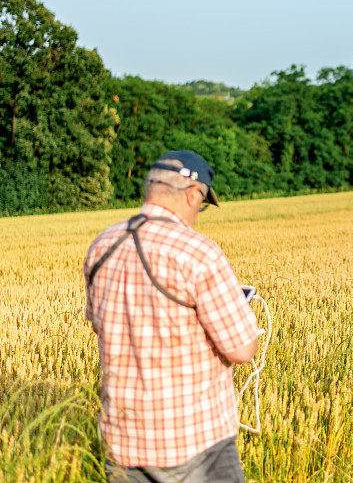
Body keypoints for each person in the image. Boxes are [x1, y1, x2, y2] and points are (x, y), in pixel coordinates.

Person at [84, 150, 259, 482]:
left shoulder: (101, 245)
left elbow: (97, 322)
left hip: (123, 443)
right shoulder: (198, 253)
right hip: (194, 441)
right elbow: (241, 350)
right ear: (194, 195)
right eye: (203, 204)